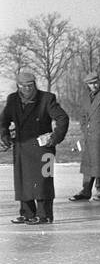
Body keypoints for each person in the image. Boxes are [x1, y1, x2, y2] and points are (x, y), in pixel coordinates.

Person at [1, 70, 70, 224]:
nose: (27, 89)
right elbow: (3, 120)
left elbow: (62, 118)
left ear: (35, 84)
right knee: (23, 181)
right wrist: (4, 135)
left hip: (43, 148)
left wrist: (54, 138)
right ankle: (27, 213)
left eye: (30, 85)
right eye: (23, 86)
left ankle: (44, 215)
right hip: (21, 148)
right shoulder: (12, 100)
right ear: (18, 86)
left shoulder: (46, 98)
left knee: (43, 182)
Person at [70, 73, 100, 201]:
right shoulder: (86, 97)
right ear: (87, 84)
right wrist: (84, 128)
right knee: (89, 164)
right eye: (91, 83)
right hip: (90, 136)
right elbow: (83, 115)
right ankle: (86, 191)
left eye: (96, 82)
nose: (94, 85)